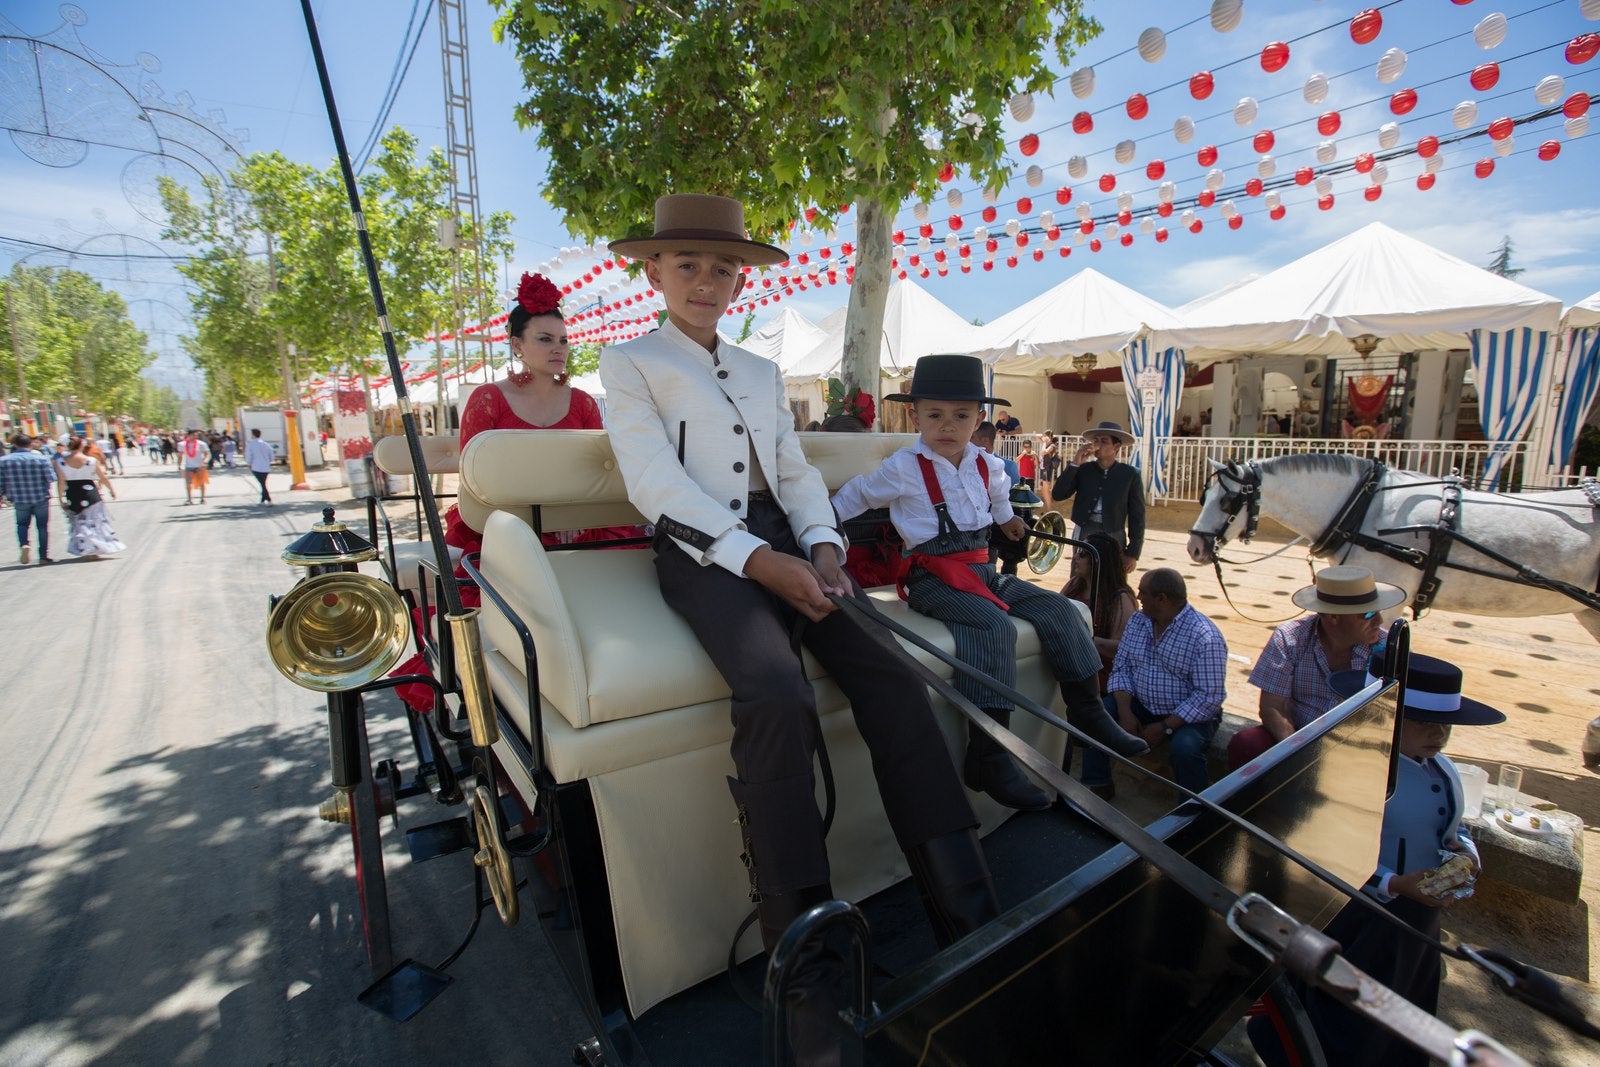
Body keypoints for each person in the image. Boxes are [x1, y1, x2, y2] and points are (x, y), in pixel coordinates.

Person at [601, 195, 1003, 1063]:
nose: (708, 281)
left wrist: (822, 546)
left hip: (792, 544)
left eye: (723, 267)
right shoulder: (628, 361)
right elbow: (655, 487)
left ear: (741, 277)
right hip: (701, 551)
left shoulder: (756, 367)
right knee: (775, 688)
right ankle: (808, 960)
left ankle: (966, 909)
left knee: (891, 669)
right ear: (653, 272)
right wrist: (760, 561)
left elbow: (793, 465)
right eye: (688, 266)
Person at [832, 353, 1149, 813]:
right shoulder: (905, 466)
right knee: (991, 627)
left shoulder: (987, 465)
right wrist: (819, 531)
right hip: (932, 577)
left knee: (1059, 609)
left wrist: (1012, 524)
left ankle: (1090, 713)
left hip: (982, 568)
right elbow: (855, 497)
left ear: (979, 418)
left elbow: (999, 504)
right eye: (934, 415)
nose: (947, 425)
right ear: (914, 415)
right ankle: (988, 755)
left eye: (960, 415)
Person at [1254, 654, 1505, 1067]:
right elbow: (1328, 847)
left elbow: (1454, 830)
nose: (1439, 734)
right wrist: (1393, 884)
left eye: (1445, 726)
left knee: (1406, 1001)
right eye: (1424, 723)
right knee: (1347, 1012)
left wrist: (1467, 855)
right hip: (1360, 916)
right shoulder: (1351, 770)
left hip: (1416, 922)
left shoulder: (1443, 770)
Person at [438, 271, 623, 608]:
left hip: (577, 524)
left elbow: (595, 473)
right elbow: (476, 478)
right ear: (517, 345)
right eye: (545, 339)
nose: (558, 348)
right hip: (507, 527)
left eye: (563, 340)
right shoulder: (488, 398)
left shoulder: (582, 401)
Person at [1229, 566, 1407, 769]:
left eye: (1378, 612)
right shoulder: (1290, 638)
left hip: (1359, 749)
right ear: (1334, 617)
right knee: (1247, 744)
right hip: (1298, 737)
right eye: (1368, 615)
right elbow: (1272, 707)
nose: (1379, 621)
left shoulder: (1388, 649)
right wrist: (1297, 751)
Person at [1081, 568, 1227, 797]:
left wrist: (1165, 726)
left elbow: (1208, 697)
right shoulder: (1139, 621)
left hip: (1187, 716)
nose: (1138, 598)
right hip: (1140, 704)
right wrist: (1125, 712)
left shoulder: (1204, 635)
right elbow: (1122, 668)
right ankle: (1097, 784)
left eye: (1143, 593)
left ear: (1162, 599)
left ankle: (1194, 810)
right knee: (1095, 716)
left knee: (1185, 749)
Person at [1051, 420, 1144, 574]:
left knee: (1111, 578)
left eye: (1104, 441)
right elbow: (1058, 494)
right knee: (1080, 576)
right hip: (1085, 530)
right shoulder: (1084, 469)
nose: (1098, 444)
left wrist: (1133, 553)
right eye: (1096, 440)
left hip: (1114, 532)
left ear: (1116, 447)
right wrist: (1075, 463)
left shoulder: (1130, 475)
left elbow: (1137, 516)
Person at [1059, 531, 1138, 693]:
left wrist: (1081, 639)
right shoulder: (1074, 584)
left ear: (1099, 560)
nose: (1075, 558)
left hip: (1099, 677)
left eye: (1082, 554)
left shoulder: (1121, 598)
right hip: (1070, 663)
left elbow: (1122, 647)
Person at [59, 437, 125, 558]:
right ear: (81, 446)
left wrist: (60, 499)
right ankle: (94, 548)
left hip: (72, 493)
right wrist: (111, 490)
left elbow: (61, 482)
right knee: (93, 521)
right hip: (89, 492)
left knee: (79, 522)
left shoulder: (61, 462)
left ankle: (85, 548)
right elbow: (102, 477)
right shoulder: (91, 461)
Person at [1, 433, 56, 564]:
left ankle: (24, 544)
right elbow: (51, 478)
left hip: (19, 498)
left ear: (14, 445)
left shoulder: (4, 461)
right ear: (30, 444)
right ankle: (43, 556)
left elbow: (1, 482)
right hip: (40, 497)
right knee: (42, 527)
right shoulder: (41, 459)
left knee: (22, 525)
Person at [180, 429, 210, 503]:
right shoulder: (182, 444)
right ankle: (189, 499)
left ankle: (203, 498)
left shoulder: (201, 444)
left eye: (196, 435)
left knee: (201, 482)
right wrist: (179, 465)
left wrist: (205, 462)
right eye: (193, 435)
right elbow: (180, 455)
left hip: (200, 466)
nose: (195, 437)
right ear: (188, 435)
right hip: (188, 466)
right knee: (188, 483)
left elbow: (208, 454)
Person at [246, 428, 275, 504]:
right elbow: (271, 455)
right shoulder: (265, 444)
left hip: (256, 466)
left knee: (262, 484)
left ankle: (268, 499)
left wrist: (249, 464)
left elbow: (249, 455)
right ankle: (263, 500)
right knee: (263, 483)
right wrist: (269, 461)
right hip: (266, 467)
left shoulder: (251, 445)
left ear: (253, 435)